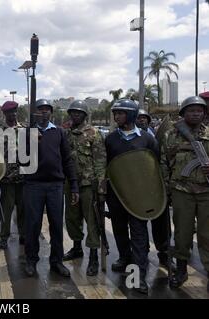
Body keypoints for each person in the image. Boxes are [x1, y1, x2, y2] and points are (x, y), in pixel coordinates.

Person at [105, 99, 159, 294]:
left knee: (139, 235)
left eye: (120, 113)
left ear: (131, 115)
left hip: (139, 198)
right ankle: (124, 257)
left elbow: (155, 167)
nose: (116, 116)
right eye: (115, 113)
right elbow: (106, 167)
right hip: (117, 195)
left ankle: (139, 276)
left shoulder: (147, 139)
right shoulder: (110, 139)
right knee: (119, 230)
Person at [23, 99, 79, 278]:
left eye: (47, 110)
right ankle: (31, 260)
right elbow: (21, 160)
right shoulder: (27, 133)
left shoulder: (59, 132)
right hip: (34, 185)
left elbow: (67, 160)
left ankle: (56, 261)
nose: (44, 112)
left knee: (56, 224)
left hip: (55, 186)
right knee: (32, 224)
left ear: (51, 113)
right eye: (41, 109)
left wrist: (74, 185)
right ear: (36, 113)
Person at [160, 96, 209, 292]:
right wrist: (166, 190)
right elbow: (163, 163)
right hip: (181, 191)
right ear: (183, 113)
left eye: (199, 110)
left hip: (207, 192)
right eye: (191, 110)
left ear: (204, 113)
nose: (196, 113)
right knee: (182, 233)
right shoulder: (171, 135)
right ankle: (181, 270)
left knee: (207, 234)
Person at [63, 100, 106, 276]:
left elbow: (101, 162)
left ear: (85, 115)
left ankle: (94, 257)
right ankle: (76, 248)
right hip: (70, 184)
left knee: (92, 221)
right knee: (72, 218)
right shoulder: (66, 134)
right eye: (73, 112)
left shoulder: (94, 134)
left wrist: (101, 188)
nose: (75, 115)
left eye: (79, 113)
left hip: (89, 185)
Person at [136, 109, 173, 268]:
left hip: (158, 184)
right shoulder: (130, 136)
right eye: (139, 118)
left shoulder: (160, 135)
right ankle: (141, 253)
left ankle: (164, 254)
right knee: (139, 223)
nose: (142, 120)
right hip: (138, 185)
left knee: (161, 223)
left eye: (144, 118)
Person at [0, 101, 25, 250]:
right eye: (9, 112)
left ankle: (23, 235)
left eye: (14, 111)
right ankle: (4, 237)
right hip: (6, 179)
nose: (12, 114)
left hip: (23, 178)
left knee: (23, 210)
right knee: (6, 211)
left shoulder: (25, 130)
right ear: (5, 114)